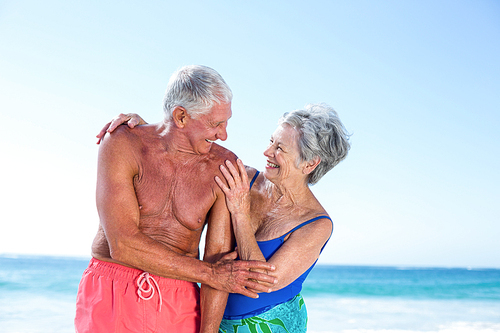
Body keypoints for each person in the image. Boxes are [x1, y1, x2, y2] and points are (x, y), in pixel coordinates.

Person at [106, 103, 351, 332]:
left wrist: (240, 214)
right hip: (217, 320)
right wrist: (148, 133)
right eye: (271, 142)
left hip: (274, 325)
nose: (267, 152)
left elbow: (261, 281)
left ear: (310, 163)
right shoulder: (241, 178)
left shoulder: (317, 224)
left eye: (280, 149)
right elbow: (191, 154)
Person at [76, 65, 277, 333]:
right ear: (181, 116)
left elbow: (218, 258)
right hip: (111, 289)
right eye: (215, 123)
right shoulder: (122, 142)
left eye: (226, 121)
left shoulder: (224, 165)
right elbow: (123, 245)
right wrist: (212, 274)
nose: (224, 134)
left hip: (178, 297)